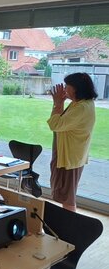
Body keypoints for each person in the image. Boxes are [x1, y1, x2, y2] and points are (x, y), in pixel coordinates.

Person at [48, 72, 97, 212]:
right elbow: (60, 123)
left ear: (76, 88)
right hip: (67, 154)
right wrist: (59, 104)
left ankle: (70, 229)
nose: (64, 89)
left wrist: (57, 103)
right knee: (64, 195)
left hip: (70, 157)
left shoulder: (81, 107)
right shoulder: (80, 104)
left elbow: (55, 124)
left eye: (67, 86)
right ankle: (68, 227)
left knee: (67, 197)